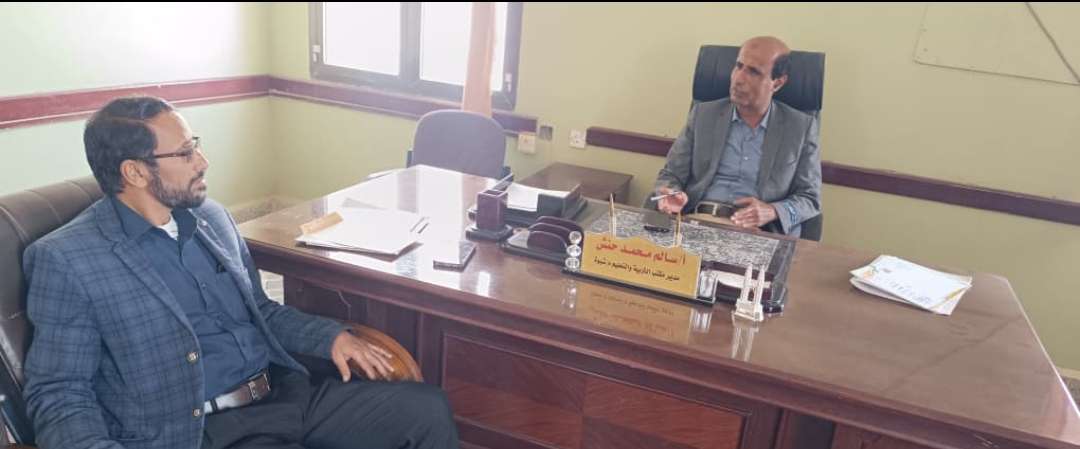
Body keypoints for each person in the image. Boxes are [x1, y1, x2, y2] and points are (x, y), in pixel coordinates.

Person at [22, 96, 459, 449]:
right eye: (185, 153)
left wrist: (331, 338)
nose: (203, 161)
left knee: (426, 412)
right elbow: (59, 390)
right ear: (134, 172)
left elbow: (261, 312)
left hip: (284, 395)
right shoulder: (68, 259)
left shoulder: (210, 218)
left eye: (196, 145)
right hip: (204, 429)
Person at [646, 36, 821, 237]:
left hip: (758, 232)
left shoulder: (800, 128)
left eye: (753, 72)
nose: (739, 78)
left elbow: (810, 198)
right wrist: (670, 193)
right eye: (738, 66)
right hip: (695, 221)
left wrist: (772, 211)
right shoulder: (704, 115)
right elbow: (671, 175)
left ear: (778, 83)